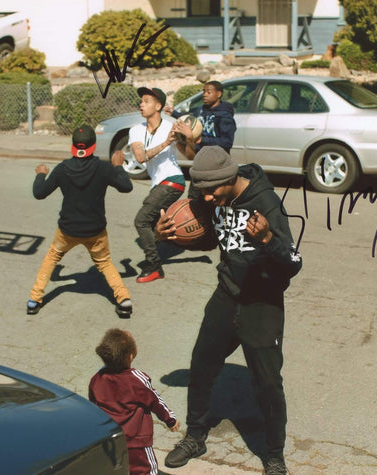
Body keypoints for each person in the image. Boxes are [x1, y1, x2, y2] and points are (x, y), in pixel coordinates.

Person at [157, 146, 302, 475]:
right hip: (227, 295)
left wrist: (267, 238)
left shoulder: (265, 202)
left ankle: (274, 455)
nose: (206, 199)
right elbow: (210, 238)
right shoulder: (210, 194)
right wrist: (168, 236)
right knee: (202, 367)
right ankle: (195, 436)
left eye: (212, 192)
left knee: (267, 383)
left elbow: (294, 263)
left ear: (228, 179)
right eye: (202, 192)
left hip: (262, 302)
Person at [26, 124, 134, 318]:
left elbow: (39, 193)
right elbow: (126, 186)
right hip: (96, 231)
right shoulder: (103, 168)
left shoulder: (62, 169)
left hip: (67, 230)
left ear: (74, 146)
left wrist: (41, 174)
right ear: (93, 146)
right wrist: (118, 165)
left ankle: (34, 300)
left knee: (52, 257)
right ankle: (123, 299)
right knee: (105, 263)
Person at [89, 328, 180, 475]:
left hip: (111, 439)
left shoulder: (97, 379)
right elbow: (155, 401)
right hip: (137, 442)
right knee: (146, 470)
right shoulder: (136, 379)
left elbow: (93, 408)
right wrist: (170, 419)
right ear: (130, 356)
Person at [130, 86, 185, 283]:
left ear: (158, 105)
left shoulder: (172, 126)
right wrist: (165, 143)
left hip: (173, 180)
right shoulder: (136, 130)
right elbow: (140, 157)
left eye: (146, 101)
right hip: (158, 183)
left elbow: (190, 155)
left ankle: (154, 267)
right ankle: (182, 238)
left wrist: (188, 139)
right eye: (141, 101)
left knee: (141, 220)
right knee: (153, 223)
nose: (141, 104)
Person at [166, 80, 237, 200]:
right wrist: (174, 113)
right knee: (194, 199)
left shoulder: (225, 115)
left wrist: (201, 140)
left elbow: (227, 142)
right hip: (200, 162)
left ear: (218, 94)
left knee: (214, 199)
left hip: (216, 165)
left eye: (209, 92)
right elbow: (190, 121)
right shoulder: (200, 110)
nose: (204, 94)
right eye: (204, 91)